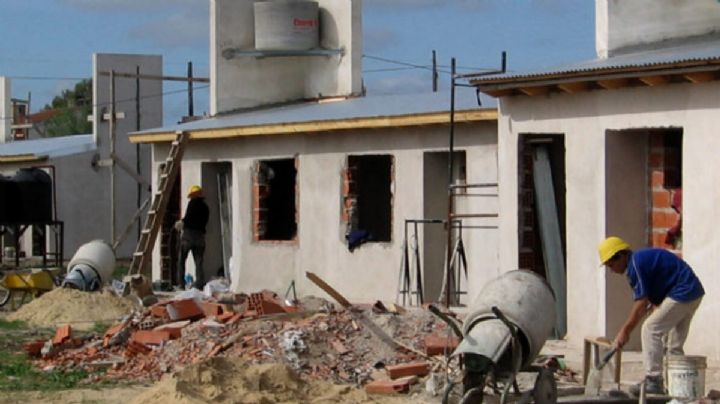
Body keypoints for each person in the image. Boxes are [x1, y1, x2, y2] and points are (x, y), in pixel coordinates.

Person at [598, 236, 704, 396]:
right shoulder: (638, 263)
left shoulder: (635, 265)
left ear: (621, 256)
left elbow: (640, 304)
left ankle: (653, 380)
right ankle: (676, 391)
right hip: (693, 292)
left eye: (611, 265)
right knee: (672, 347)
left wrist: (625, 331)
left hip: (683, 291)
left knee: (650, 329)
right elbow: (649, 301)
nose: (612, 270)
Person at [175, 185, 209, 289]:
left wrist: (181, 222)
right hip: (200, 237)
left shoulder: (192, 203)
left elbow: (189, 218)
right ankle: (199, 284)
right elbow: (204, 222)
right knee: (199, 262)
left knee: (181, 260)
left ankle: (181, 284)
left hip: (188, 236)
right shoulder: (206, 207)